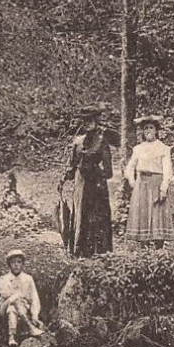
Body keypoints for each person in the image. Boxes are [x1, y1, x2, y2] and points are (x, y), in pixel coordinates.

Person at [58, 106, 116, 257]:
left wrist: (97, 175)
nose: (87, 124)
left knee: (96, 216)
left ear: (96, 121)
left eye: (90, 120)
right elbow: (71, 165)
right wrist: (64, 178)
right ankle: (80, 249)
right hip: (81, 183)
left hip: (97, 185)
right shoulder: (77, 142)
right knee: (81, 213)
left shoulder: (102, 141)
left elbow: (109, 171)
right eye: (84, 121)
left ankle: (99, 251)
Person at [125, 116, 174, 248]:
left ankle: (158, 247)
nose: (148, 131)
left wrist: (164, 188)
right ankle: (144, 247)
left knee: (157, 213)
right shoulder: (138, 149)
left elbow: (167, 170)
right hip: (142, 184)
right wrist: (132, 181)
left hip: (157, 183)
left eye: (151, 128)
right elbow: (130, 167)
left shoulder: (163, 148)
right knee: (143, 213)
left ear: (156, 130)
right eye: (146, 128)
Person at [0, 249, 43, 347]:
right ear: (9, 264)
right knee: (14, 299)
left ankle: (11, 337)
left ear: (23, 264)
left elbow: (34, 298)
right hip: (4, 308)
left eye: (19, 262)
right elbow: (5, 295)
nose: (16, 265)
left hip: (21, 308)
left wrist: (35, 316)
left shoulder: (28, 279)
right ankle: (30, 326)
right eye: (13, 262)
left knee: (13, 308)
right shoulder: (4, 279)